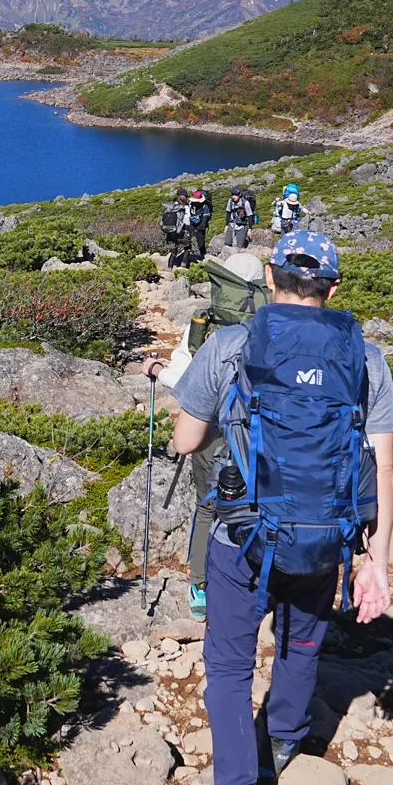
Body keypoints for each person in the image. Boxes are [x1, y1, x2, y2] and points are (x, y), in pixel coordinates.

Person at [170, 232, 393, 785]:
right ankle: (282, 745)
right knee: (300, 647)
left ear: (270, 279)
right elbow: (383, 467)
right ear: (333, 287)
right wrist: (379, 562)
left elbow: (184, 441)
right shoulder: (366, 358)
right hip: (326, 538)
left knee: (228, 667)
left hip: (240, 539)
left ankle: (235, 779)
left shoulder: (230, 344)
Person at [149, 250, 268, 620]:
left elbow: (186, 380)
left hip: (211, 431)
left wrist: (156, 370)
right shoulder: (275, 324)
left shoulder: (205, 327)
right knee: (261, 501)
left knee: (209, 507)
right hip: (262, 432)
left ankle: (199, 584)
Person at [162, 188, 194, 269]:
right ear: (185, 197)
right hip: (183, 232)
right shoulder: (186, 207)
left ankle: (169, 269)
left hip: (171, 232)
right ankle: (183, 266)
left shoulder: (170, 206)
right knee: (187, 248)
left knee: (173, 251)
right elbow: (188, 221)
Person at [187, 188, 213, 260]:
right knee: (188, 241)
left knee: (200, 242)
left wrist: (200, 228)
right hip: (192, 225)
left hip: (200, 226)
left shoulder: (205, 206)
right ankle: (188, 256)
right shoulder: (190, 205)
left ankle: (203, 256)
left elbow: (205, 219)